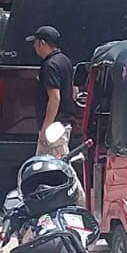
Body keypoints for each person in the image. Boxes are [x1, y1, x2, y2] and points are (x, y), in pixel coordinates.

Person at [29, 25, 76, 156]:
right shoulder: (65, 60)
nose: (34, 46)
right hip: (63, 123)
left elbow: (54, 97)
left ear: (42, 43)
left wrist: (46, 128)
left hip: (54, 127)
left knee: (56, 167)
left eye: (35, 43)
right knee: (43, 166)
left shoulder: (50, 65)